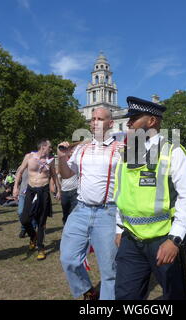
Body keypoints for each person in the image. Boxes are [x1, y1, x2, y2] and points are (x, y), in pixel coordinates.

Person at [113, 96, 186, 300]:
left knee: (173, 295)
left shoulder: (172, 152)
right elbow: (121, 193)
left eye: (134, 118)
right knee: (125, 296)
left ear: (151, 122)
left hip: (164, 239)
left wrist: (174, 240)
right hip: (130, 239)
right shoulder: (127, 153)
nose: (129, 123)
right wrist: (118, 228)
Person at [58, 107, 122, 300]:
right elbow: (67, 174)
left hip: (108, 212)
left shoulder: (120, 149)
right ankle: (87, 290)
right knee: (68, 258)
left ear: (110, 123)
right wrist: (62, 158)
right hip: (81, 210)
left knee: (109, 270)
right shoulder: (81, 148)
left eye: (100, 119)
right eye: (93, 119)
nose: (95, 122)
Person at [13, 139, 61, 261]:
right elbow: (20, 171)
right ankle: (33, 236)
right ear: (43, 147)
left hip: (43, 191)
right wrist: (15, 187)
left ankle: (40, 247)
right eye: (49, 147)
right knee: (24, 218)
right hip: (30, 190)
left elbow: (54, 175)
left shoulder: (50, 160)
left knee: (41, 221)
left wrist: (58, 190)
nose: (51, 149)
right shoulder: (29, 156)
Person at [59, 144, 79, 225]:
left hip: (75, 190)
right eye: (69, 150)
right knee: (65, 212)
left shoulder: (76, 161)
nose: (71, 152)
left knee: (73, 212)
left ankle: (70, 227)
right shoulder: (63, 162)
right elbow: (57, 175)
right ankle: (65, 223)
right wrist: (58, 188)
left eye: (72, 150)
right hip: (64, 191)